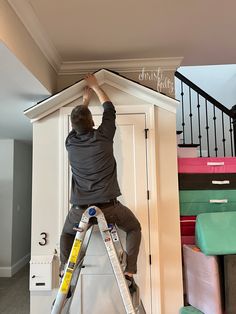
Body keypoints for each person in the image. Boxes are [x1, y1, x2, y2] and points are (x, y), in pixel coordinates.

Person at [60, 73, 141, 292]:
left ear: (72, 126)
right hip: (109, 208)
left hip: (79, 211)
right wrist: (95, 87)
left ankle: (63, 271)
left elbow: (78, 121)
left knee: (67, 234)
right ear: (93, 122)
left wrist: (83, 101)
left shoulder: (70, 142)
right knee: (133, 227)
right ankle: (129, 271)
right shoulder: (103, 136)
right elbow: (109, 108)